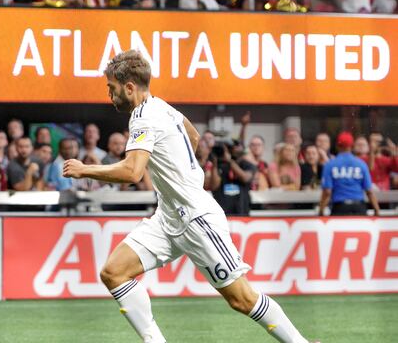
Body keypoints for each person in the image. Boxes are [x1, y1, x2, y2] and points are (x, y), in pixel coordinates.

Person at [62, 50, 311, 343]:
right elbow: (192, 136)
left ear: (129, 87)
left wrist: (83, 170)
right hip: (167, 217)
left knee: (241, 298)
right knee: (114, 272)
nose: (109, 94)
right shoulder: (162, 107)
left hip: (196, 218)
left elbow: (132, 172)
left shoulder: (142, 118)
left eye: (111, 88)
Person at [319, 131, 380, 216]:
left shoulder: (330, 165)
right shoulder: (361, 164)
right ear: (352, 146)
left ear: (337, 146)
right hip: (359, 206)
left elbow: (327, 192)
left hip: (339, 207)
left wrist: (321, 210)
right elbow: (369, 191)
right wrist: (376, 210)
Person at [209, 141, 256, 215]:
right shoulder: (219, 166)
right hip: (222, 214)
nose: (235, 148)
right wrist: (215, 164)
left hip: (241, 213)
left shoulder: (247, 165)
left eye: (237, 145)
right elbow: (214, 186)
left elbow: (245, 178)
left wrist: (229, 161)